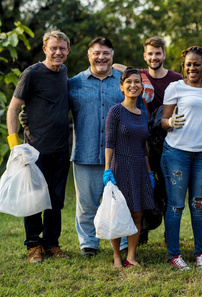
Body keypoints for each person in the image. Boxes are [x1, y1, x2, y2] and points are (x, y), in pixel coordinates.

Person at [6, 30, 71, 263]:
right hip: (34, 151)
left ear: (68, 51)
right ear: (45, 49)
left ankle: (51, 244)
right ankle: (33, 245)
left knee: (55, 199)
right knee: (34, 198)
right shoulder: (31, 73)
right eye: (53, 48)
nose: (58, 52)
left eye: (62, 48)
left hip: (62, 148)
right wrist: (14, 145)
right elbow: (13, 109)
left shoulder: (64, 72)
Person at [160, 46, 202, 271]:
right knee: (176, 206)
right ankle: (174, 255)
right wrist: (170, 123)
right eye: (188, 64)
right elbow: (163, 120)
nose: (192, 68)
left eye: (196, 64)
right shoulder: (174, 87)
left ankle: (200, 254)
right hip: (177, 152)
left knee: (199, 206)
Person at [114, 37, 183, 244]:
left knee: (170, 190)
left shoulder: (175, 78)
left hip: (169, 142)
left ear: (164, 54)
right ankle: (141, 233)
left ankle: (169, 235)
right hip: (143, 141)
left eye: (158, 53)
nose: (154, 57)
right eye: (150, 54)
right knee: (142, 188)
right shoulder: (139, 77)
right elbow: (116, 66)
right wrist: (140, 77)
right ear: (145, 56)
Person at [69, 37, 132, 257]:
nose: (101, 57)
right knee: (86, 204)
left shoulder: (124, 82)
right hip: (85, 151)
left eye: (106, 53)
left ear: (112, 55)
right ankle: (88, 243)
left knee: (122, 201)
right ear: (89, 55)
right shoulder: (74, 83)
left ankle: (124, 242)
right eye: (96, 53)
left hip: (119, 154)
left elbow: (138, 111)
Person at [104, 67, 156, 269]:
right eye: (129, 82)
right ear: (122, 87)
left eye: (137, 82)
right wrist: (107, 169)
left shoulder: (142, 113)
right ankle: (117, 256)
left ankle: (131, 256)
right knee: (118, 213)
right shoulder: (115, 111)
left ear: (142, 87)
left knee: (137, 213)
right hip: (120, 167)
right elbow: (109, 142)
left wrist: (149, 171)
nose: (133, 85)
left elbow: (144, 146)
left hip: (139, 167)